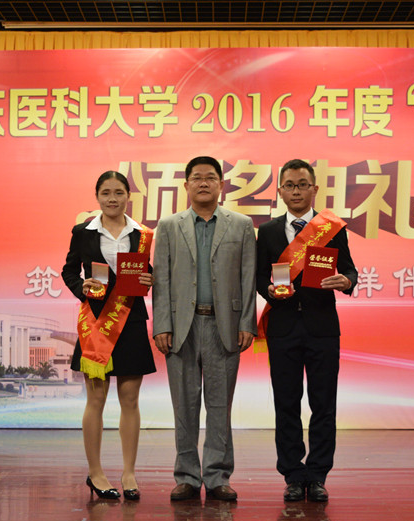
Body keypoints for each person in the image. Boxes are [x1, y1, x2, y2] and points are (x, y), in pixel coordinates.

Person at [152, 156, 257, 502]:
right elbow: (161, 279)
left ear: (221, 185)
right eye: (196, 178)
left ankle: (217, 476)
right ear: (186, 185)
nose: (203, 183)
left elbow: (248, 277)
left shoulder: (241, 225)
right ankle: (186, 476)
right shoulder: (169, 226)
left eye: (210, 177)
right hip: (181, 327)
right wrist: (162, 324)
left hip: (224, 325)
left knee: (219, 405)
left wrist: (247, 322)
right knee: (184, 406)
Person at [255, 158, 358, 502]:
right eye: (289, 185)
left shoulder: (331, 228)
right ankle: (292, 475)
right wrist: (268, 290)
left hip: (322, 327)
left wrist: (346, 282)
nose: (296, 191)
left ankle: (317, 475)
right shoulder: (268, 232)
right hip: (283, 327)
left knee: (323, 404)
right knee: (286, 404)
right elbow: (259, 276)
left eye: (302, 185)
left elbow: (350, 271)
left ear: (314, 189)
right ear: (280, 191)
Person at [62, 170, 156, 501]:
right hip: (96, 322)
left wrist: (149, 278)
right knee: (96, 400)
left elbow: (145, 269)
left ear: (128, 196)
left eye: (118, 193)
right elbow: (69, 270)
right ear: (97, 196)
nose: (112, 199)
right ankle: (96, 473)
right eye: (106, 193)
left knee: (130, 400)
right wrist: (81, 287)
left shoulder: (142, 234)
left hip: (131, 320)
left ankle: (129, 473)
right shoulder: (83, 232)